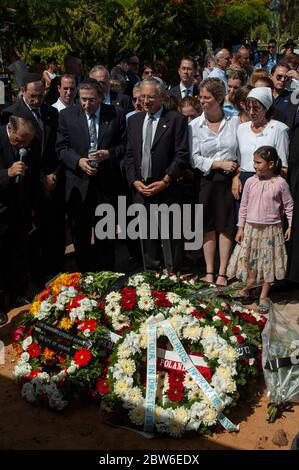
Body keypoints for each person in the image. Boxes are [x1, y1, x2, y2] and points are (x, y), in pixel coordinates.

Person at [56, 78, 126, 272]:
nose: (87, 104)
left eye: (91, 100)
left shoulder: (116, 114)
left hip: (107, 184)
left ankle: (107, 275)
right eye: (83, 99)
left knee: (106, 233)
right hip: (79, 184)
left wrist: (109, 154)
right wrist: (78, 161)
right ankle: (85, 275)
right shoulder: (66, 115)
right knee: (81, 233)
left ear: (101, 97)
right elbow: (61, 148)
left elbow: (125, 146)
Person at [125, 77, 189, 271]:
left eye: (150, 97)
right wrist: (134, 181)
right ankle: (152, 279)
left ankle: (173, 277)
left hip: (167, 188)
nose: (145, 101)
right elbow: (129, 155)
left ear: (162, 97)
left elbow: (182, 155)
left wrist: (166, 180)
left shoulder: (175, 120)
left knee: (171, 238)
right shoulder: (134, 120)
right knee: (148, 238)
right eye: (142, 96)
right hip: (142, 189)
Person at [227, 146, 293, 312]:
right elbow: (243, 206)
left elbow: (289, 205)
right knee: (249, 260)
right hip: (251, 228)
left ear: (271, 164)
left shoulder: (280, 183)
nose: (255, 165)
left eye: (258, 162)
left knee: (267, 263)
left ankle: (263, 294)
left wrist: (291, 225)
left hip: (271, 229)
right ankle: (247, 289)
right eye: (254, 162)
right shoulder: (250, 181)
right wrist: (240, 227)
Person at [189, 78, 239, 286]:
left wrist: (235, 175)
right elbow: (194, 157)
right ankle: (209, 271)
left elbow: (241, 150)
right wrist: (218, 164)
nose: (202, 101)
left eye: (207, 97)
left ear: (218, 99)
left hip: (230, 180)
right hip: (207, 179)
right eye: (200, 97)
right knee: (208, 225)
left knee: (226, 226)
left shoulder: (235, 121)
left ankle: (223, 272)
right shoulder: (194, 125)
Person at [0, 116, 37, 326]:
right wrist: (7, 173)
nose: (23, 146)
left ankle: (19, 294)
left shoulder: (26, 143)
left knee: (18, 255)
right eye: (19, 141)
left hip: (19, 210)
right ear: (9, 129)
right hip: (0, 210)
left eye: (27, 143)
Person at [232, 87, 289, 201]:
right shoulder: (241, 129)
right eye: (249, 108)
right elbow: (239, 162)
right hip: (245, 183)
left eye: (256, 108)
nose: (251, 112)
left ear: (266, 109)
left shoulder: (279, 129)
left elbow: (283, 168)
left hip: (269, 183)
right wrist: (236, 177)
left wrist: (273, 190)